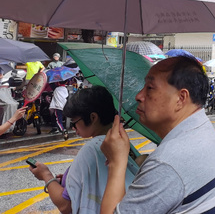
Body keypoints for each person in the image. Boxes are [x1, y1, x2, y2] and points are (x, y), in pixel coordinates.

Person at [100, 56, 215, 214]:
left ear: (181, 98)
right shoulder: (202, 128)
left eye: (150, 88)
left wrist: (117, 162)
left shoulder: (168, 163)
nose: (139, 96)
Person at [28, 86, 137, 214]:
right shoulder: (123, 143)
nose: (73, 128)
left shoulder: (91, 150)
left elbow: (66, 206)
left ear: (93, 118)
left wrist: (46, 175)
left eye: (74, 122)